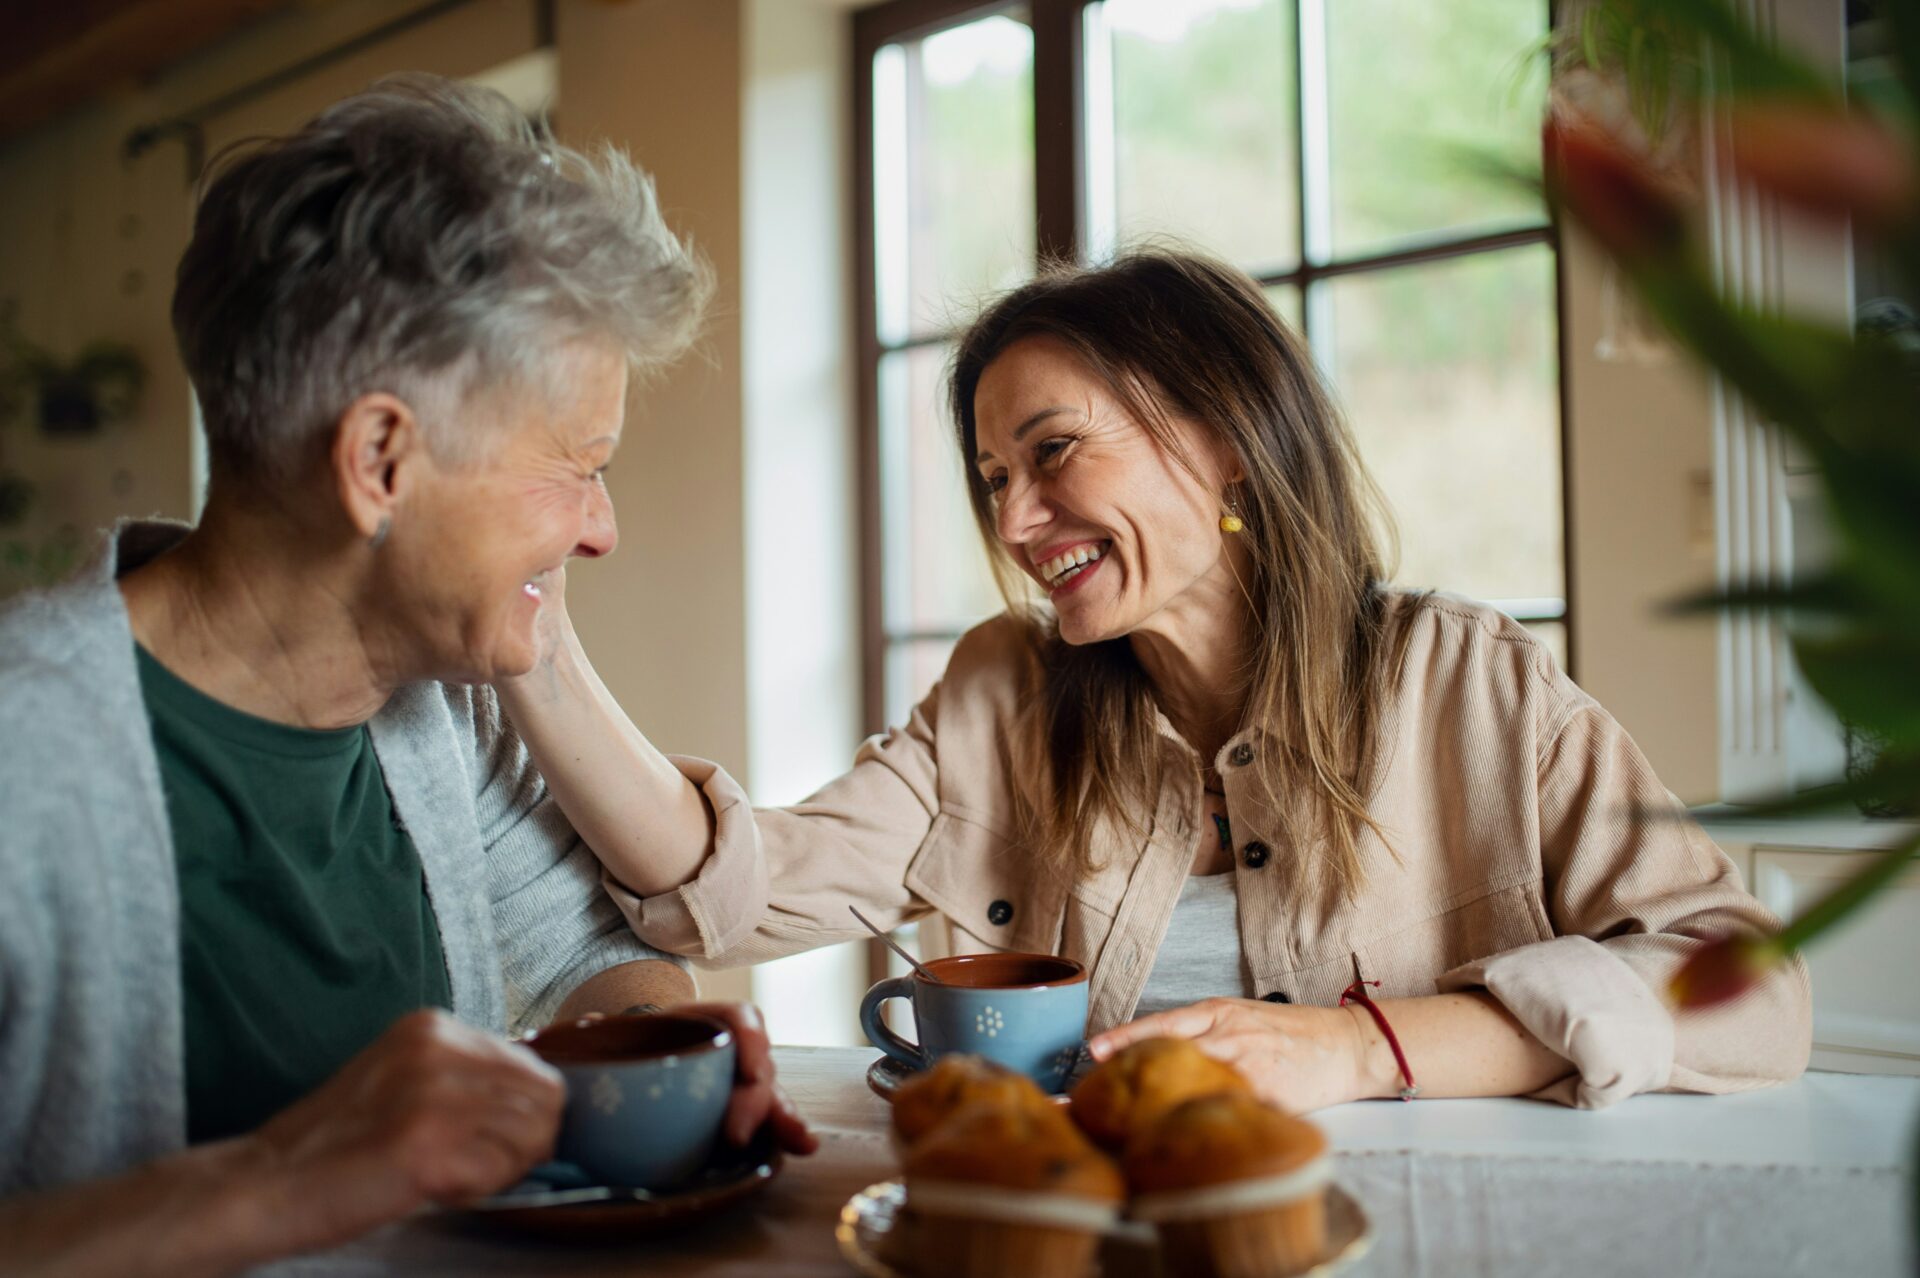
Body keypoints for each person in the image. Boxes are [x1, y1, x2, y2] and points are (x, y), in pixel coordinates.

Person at [497, 249, 1811, 1114]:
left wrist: (1369, 1047)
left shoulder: (1469, 683)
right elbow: (732, 889)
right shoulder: (1004, 690)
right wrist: (534, 634)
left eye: (1052, 451)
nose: (1016, 523)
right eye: (996, 480)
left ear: (1226, 438)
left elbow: (1749, 985)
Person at [0, 75, 810, 1277]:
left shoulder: (436, 712)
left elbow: (591, 957)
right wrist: (285, 1177)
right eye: (577, 467)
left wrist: (660, 1050)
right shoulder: (28, 759)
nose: (602, 529)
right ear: (380, 457)